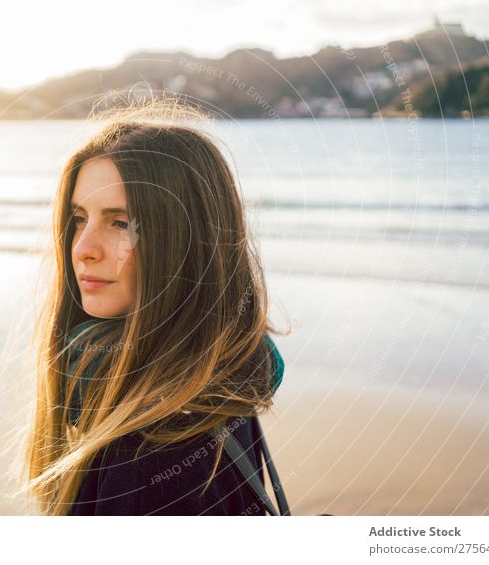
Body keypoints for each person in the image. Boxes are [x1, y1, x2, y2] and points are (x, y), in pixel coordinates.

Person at [21, 98, 289, 516]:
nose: (83, 249)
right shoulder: (217, 381)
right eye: (79, 219)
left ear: (184, 243)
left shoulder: (154, 458)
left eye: (120, 222)